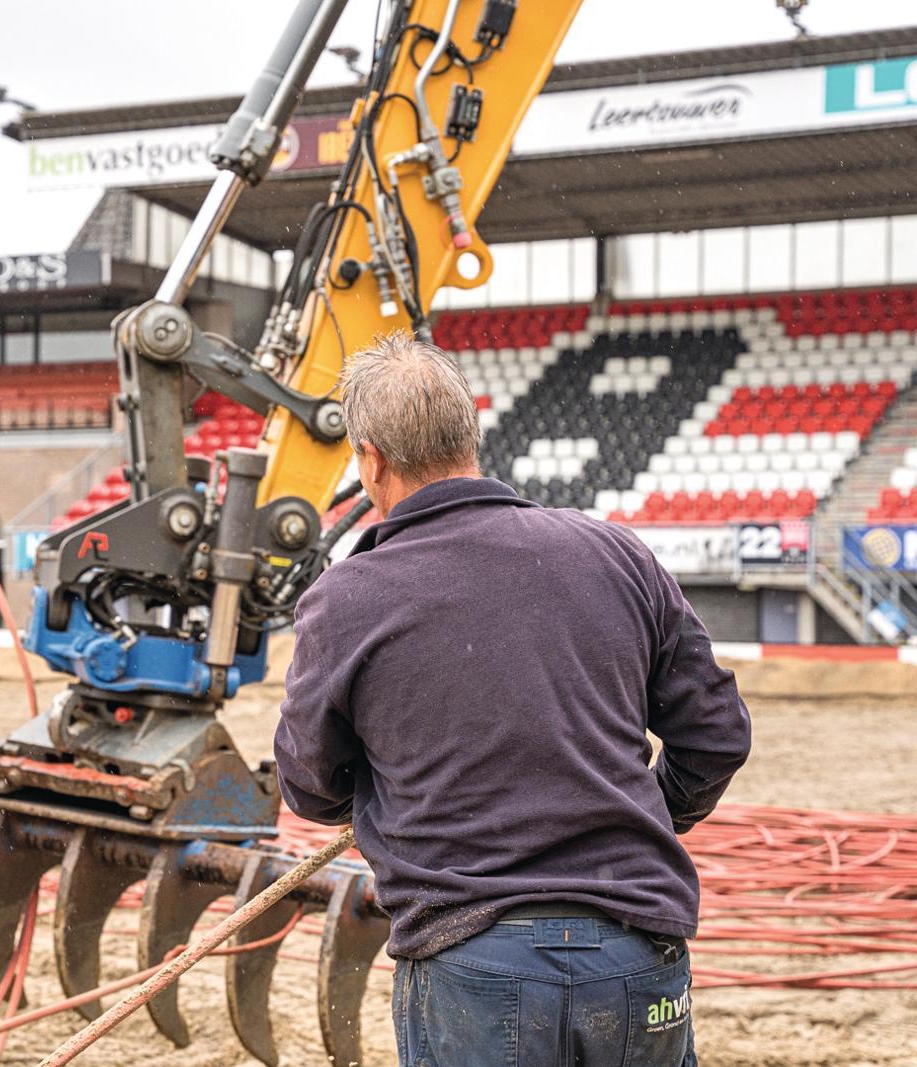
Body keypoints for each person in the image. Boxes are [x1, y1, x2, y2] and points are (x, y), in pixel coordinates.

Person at [274, 333, 751, 1066]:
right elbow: (716, 733)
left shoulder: (345, 599)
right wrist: (651, 809)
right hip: (635, 955)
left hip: (473, 962)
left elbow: (309, 784)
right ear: (471, 434)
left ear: (369, 458)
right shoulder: (617, 554)